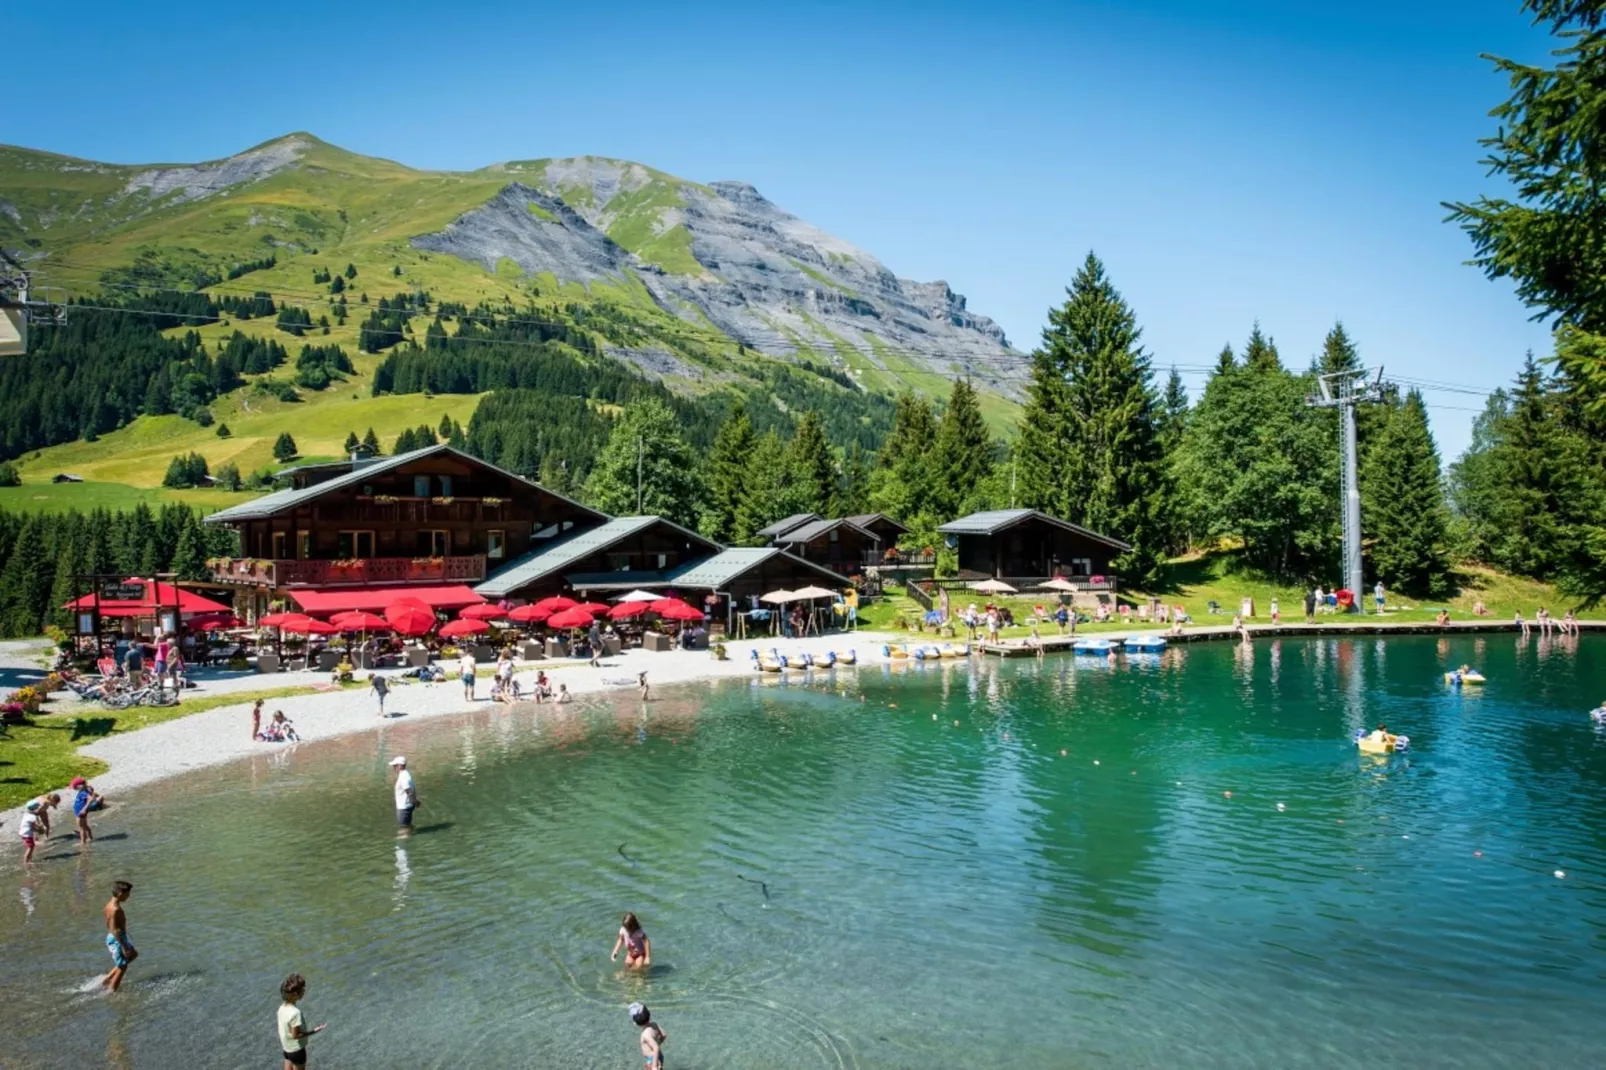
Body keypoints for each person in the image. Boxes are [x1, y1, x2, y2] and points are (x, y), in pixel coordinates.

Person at [277, 972, 326, 1069]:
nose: (304, 991)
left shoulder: (282, 1008)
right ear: (295, 994)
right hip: (297, 1051)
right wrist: (314, 1031)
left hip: (287, 1049)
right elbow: (295, 1035)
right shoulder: (295, 1013)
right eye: (302, 989)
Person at [101, 880, 137, 993]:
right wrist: (124, 946)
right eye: (128, 894)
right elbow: (114, 929)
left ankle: (108, 978)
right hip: (117, 939)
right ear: (121, 894)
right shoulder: (115, 909)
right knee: (123, 966)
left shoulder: (109, 905)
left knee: (133, 955)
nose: (129, 897)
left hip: (118, 937)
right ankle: (111, 991)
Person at [630, 1002, 666, 1070]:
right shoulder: (654, 1024)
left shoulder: (645, 1034)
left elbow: (655, 1047)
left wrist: (654, 1066)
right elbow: (664, 1035)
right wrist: (657, 1044)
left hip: (652, 1059)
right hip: (659, 1055)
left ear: (635, 1023)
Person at [72, 776, 102, 844]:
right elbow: (92, 793)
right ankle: (90, 838)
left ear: (79, 786)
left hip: (81, 813)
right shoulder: (83, 791)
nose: (75, 789)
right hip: (80, 812)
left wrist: (84, 809)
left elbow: (90, 799)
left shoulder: (83, 792)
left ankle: (82, 842)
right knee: (85, 826)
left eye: (75, 787)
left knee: (81, 828)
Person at [391, 756, 416, 831]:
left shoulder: (403, 777)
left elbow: (408, 791)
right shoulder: (406, 773)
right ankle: (411, 833)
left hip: (404, 807)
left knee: (403, 829)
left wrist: (415, 801)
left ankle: (405, 841)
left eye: (395, 765)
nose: (393, 767)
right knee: (407, 825)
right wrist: (414, 802)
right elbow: (411, 789)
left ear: (400, 766)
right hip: (408, 805)